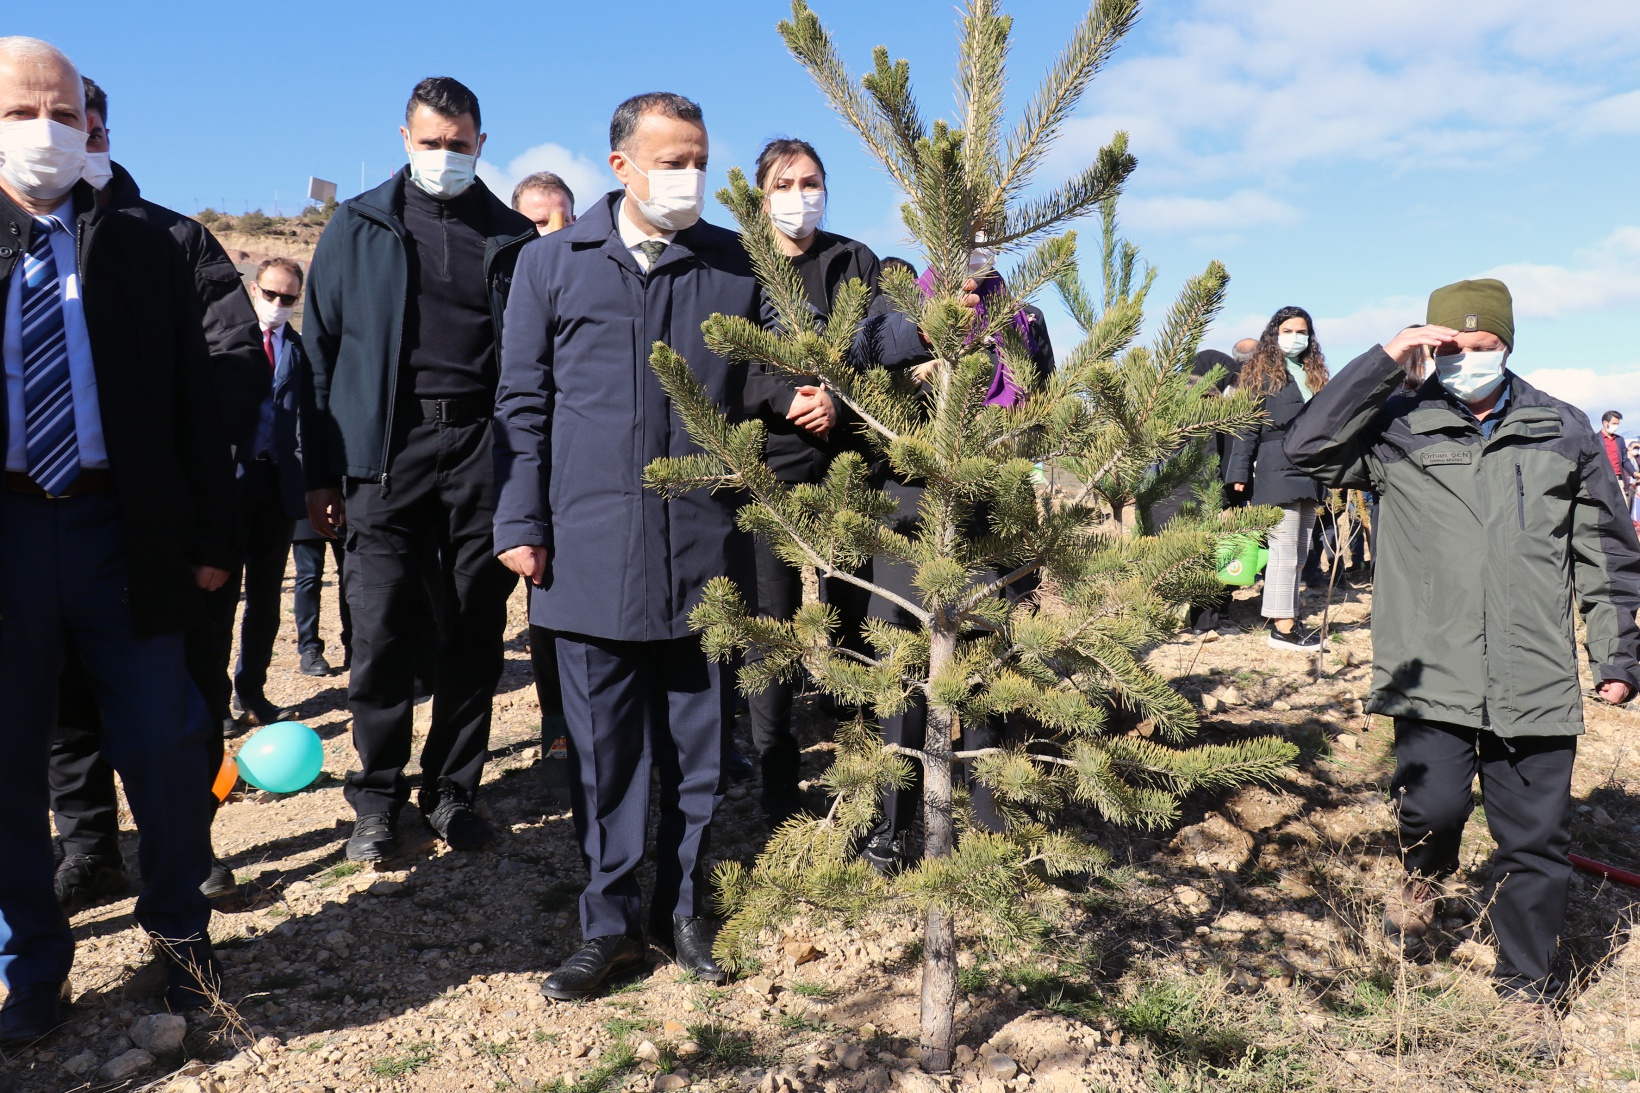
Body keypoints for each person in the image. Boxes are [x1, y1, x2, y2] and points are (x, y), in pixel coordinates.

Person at [494, 92, 926, 1001]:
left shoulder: (734, 266)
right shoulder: (552, 264)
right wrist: (521, 521)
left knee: (695, 748)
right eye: (673, 160)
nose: (692, 175)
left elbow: (805, 348)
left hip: (702, 545)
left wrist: (909, 335)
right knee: (608, 751)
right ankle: (607, 920)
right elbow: (523, 405)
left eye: (699, 158)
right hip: (586, 544)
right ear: (622, 167)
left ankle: (682, 908)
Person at [1285, 278, 1640, 1034]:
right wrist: (1387, 356)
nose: (1470, 361)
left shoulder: (1562, 429)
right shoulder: (1396, 425)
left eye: (1485, 348)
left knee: (1536, 844)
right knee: (1434, 807)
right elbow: (1305, 443)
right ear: (1431, 347)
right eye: (1453, 347)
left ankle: (1525, 993)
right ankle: (1423, 879)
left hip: (1534, 672)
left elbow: (1607, 552)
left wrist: (1617, 655)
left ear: (1508, 346)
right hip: (1430, 667)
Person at [0, 37, 235, 1042]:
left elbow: (205, 400)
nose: (47, 131)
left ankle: (183, 940)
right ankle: (34, 968)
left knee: (167, 746)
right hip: (6, 531)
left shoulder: (149, 242)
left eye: (62, 111)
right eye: (21, 113)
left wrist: (213, 533)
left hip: (119, 528)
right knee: (7, 764)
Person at [48, 74, 268, 912]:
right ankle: (91, 845)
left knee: (179, 695)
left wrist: (175, 468)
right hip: (48, 517)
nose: (74, 137)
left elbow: (234, 362)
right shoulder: (21, 245)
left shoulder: (176, 239)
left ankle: (191, 843)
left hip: (162, 520)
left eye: (85, 123)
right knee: (69, 699)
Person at [302, 77, 535, 862]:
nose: (445, 156)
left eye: (459, 144)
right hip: (384, 454)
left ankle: (451, 789)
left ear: (481, 143)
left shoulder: (511, 238)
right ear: (405, 140)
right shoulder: (357, 225)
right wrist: (323, 471)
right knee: (381, 628)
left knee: (475, 626)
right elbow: (319, 355)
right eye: (431, 143)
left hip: (482, 450)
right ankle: (377, 796)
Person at [861, 255, 1054, 869]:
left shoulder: (1026, 317)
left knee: (987, 664)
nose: (978, 247)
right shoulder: (900, 305)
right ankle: (890, 826)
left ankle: (990, 819)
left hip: (994, 502)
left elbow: (1043, 406)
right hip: (910, 505)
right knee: (901, 670)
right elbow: (860, 366)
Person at [744, 136, 881, 824]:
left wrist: (838, 396)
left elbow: (877, 343)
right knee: (771, 626)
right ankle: (774, 781)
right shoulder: (740, 263)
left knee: (852, 613)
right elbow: (722, 351)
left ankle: (859, 765)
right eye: (785, 182)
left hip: (846, 459)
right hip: (768, 462)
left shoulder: (852, 259)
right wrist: (784, 395)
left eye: (812, 181)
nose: (801, 194)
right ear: (762, 193)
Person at [1225, 306, 1329, 651]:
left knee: (1301, 549)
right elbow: (1247, 426)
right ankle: (1282, 627)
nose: (1295, 337)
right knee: (1282, 549)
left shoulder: (1314, 374)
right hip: (1275, 464)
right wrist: (1239, 472)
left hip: (1311, 468)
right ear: (1275, 333)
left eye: (1302, 331)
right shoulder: (1262, 373)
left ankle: (1290, 616)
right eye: (1288, 331)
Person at [231, 257, 309, 712]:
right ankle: (214, 698)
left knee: (264, 598)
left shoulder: (298, 350)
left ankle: (252, 690)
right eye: (271, 294)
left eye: (288, 298)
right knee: (219, 599)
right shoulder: (226, 341)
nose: (278, 304)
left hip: (277, 485)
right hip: (231, 484)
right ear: (254, 289)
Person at [1598, 410, 1635, 501]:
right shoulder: (1595, 439)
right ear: (1605, 423)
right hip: (1602, 481)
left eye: (1618, 424)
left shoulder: (1620, 440)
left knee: (1622, 510)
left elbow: (1625, 460)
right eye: (1614, 423)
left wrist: (1634, 473)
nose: (1616, 426)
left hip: (1618, 480)